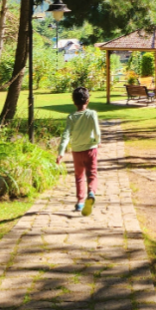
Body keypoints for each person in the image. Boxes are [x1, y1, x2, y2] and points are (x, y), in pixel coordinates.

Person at [56, 86, 101, 216]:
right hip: (91, 149)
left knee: (79, 176)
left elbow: (65, 135)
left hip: (77, 151)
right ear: (87, 100)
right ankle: (91, 192)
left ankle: (80, 201)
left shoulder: (71, 117)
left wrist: (61, 153)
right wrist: (97, 142)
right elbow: (97, 131)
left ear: (74, 101)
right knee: (92, 174)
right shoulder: (92, 114)